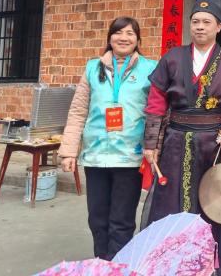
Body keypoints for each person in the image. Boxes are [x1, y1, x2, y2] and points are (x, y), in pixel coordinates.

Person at [141, 0, 221, 275]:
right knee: (170, 203)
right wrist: (151, 144)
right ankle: (170, 262)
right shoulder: (173, 57)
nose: (200, 27)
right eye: (195, 22)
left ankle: (210, 264)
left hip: (211, 147)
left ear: (219, 27)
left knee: (214, 204)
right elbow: (156, 102)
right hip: (176, 143)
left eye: (206, 22)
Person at [59, 17, 157, 260]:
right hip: (96, 157)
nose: (123, 38)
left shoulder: (150, 69)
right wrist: (69, 151)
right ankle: (102, 263)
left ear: (138, 40)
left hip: (130, 158)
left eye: (130, 33)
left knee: (122, 221)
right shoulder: (93, 68)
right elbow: (78, 110)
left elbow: (157, 111)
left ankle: (117, 267)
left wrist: (154, 147)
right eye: (118, 32)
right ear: (109, 37)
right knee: (97, 219)